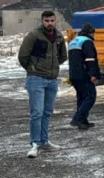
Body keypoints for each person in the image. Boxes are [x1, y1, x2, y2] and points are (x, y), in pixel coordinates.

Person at [17, 10, 67, 158]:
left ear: (55, 21)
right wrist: (33, 69)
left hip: (52, 80)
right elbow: (23, 56)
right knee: (36, 113)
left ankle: (44, 142)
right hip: (36, 79)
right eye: (46, 21)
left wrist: (53, 67)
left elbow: (63, 56)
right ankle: (35, 144)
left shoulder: (58, 36)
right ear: (42, 21)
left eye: (52, 20)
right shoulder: (34, 36)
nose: (49, 23)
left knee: (47, 112)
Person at [68, 23, 100, 130]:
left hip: (74, 75)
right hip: (84, 74)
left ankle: (83, 121)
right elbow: (90, 59)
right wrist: (92, 74)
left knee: (81, 97)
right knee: (91, 97)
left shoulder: (73, 41)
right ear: (90, 32)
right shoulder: (87, 41)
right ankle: (77, 119)